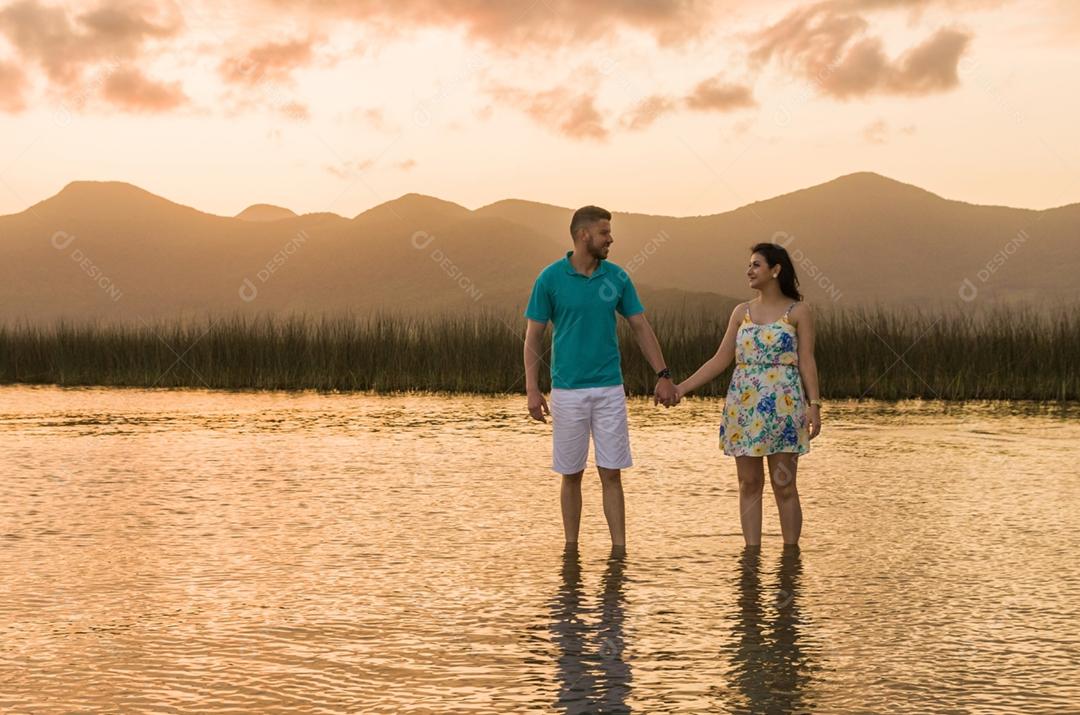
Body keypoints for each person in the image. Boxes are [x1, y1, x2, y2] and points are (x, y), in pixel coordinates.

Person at [524, 205, 677, 549]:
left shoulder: (617, 277)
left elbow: (640, 327)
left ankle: (619, 550)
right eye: (605, 232)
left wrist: (663, 374)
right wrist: (532, 390)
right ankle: (571, 550)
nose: (611, 239)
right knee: (571, 474)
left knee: (611, 473)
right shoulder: (550, 279)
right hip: (566, 392)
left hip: (609, 390)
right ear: (583, 235)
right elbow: (533, 336)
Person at [675, 242, 822, 547]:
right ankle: (751, 557)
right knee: (749, 484)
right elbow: (720, 359)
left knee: (784, 485)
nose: (749, 270)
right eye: (750, 265)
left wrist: (815, 405)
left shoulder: (798, 311)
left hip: (784, 407)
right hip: (743, 408)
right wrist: (681, 388)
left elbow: (807, 360)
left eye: (756, 265)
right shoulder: (741, 312)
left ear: (775, 270)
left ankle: (790, 558)